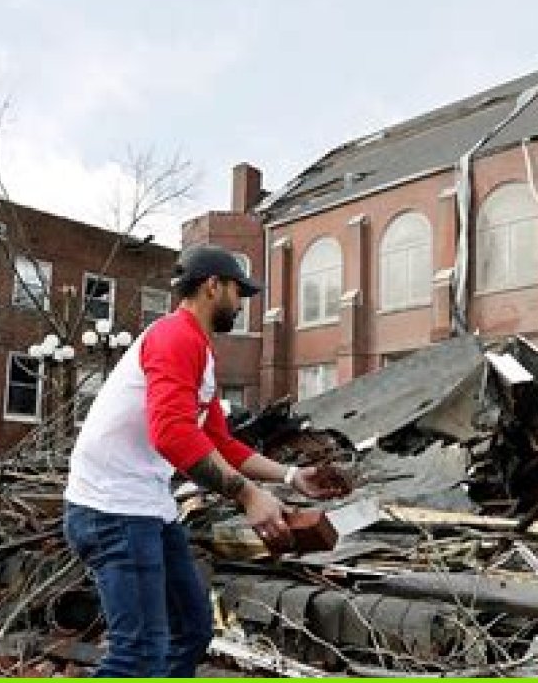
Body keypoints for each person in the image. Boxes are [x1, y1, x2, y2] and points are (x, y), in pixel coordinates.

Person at [63, 244, 345, 677]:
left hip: (147, 507)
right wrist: (248, 496)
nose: (242, 303)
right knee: (138, 655)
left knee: (191, 632)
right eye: (238, 291)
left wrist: (291, 476)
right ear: (213, 286)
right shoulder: (173, 337)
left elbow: (218, 441)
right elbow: (172, 434)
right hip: (112, 510)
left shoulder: (199, 350)